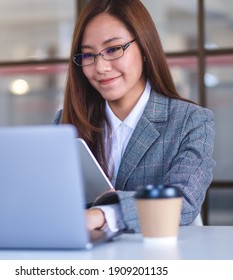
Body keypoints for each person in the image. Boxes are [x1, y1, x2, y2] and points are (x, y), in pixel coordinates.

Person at [53, 0, 215, 233]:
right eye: (88, 55)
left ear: (145, 47)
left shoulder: (190, 121)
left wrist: (103, 215)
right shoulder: (67, 122)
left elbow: (183, 204)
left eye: (113, 49)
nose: (100, 67)